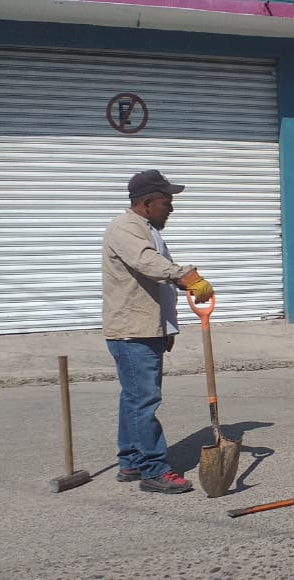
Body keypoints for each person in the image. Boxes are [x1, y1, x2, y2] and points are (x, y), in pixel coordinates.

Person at [102, 170, 214, 494]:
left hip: (146, 328)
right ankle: (153, 469)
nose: (171, 209)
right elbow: (149, 266)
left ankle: (132, 461)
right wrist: (187, 276)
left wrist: (169, 325)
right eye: (167, 202)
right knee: (144, 400)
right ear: (147, 202)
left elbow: (157, 280)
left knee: (134, 398)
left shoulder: (148, 230)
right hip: (132, 332)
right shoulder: (125, 229)